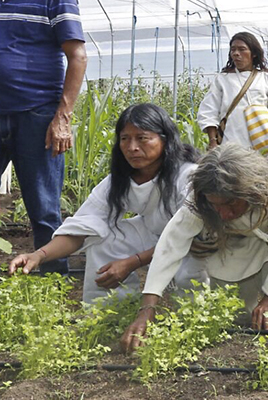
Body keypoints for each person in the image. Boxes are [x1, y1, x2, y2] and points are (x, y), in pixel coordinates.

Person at [121, 144, 268, 352]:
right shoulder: (201, 193)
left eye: (231, 204)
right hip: (238, 244)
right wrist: (147, 308)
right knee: (236, 317)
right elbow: (171, 245)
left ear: (251, 191)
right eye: (216, 206)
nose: (223, 214)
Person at [7, 104, 205, 303]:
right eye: (125, 139)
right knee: (104, 240)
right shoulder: (120, 180)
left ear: (165, 139)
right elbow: (82, 227)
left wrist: (133, 262)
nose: (132, 147)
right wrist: (38, 255)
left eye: (142, 138)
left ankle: (191, 316)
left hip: (193, 244)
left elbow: (186, 238)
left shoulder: (188, 176)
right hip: (154, 236)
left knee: (189, 273)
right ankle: (109, 311)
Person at [0, 0, 87, 274]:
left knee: (44, 210)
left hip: (38, 115)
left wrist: (62, 118)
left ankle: (53, 285)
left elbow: (78, 56)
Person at [198, 32, 268, 155]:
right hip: (230, 148)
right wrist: (213, 141)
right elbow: (209, 110)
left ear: (253, 53)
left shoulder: (266, 79)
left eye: (242, 49)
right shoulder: (222, 80)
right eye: (233, 49)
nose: (236, 53)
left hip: (260, 149)